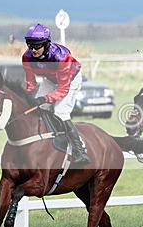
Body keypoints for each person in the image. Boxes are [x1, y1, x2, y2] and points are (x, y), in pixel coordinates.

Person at [21, 23, 91, 166]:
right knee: (40, 109)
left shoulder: (61, 57)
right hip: (50, 79)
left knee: (60, 112)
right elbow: (30, 82)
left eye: (37, 46)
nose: (33, 50)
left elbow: (63, 89)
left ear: (46, 43)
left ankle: (80, 150)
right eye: (30, 45)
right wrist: (27, 93)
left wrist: (44, 98)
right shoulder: (27, 57)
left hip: (70, 80)